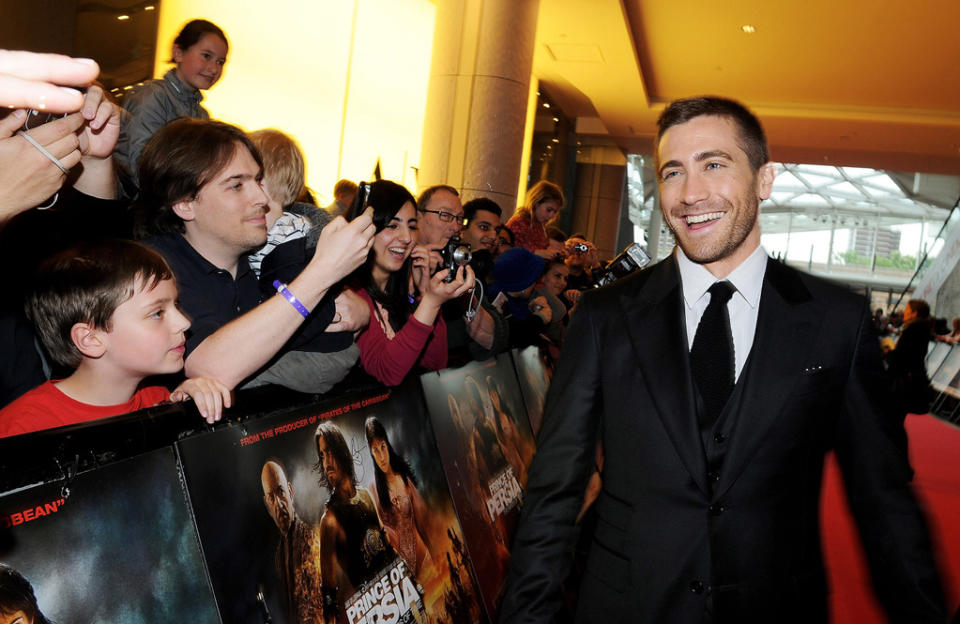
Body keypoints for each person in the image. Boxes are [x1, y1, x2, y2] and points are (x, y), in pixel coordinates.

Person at [500, 96, 946, 623]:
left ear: (764, 179)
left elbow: (883, 502)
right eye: (672, 172)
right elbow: (555, 490)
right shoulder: (605, 316)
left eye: (714, 164)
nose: (690, 194)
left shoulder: (835, 321)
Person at [137, 119, 375, 393]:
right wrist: (323, 272)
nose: (262, 198)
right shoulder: (152, 270)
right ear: (184, 204)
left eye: (259, 180)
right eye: (237, 186)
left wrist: (355, 306)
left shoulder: (262, 258)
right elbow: (211, 367)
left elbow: (333, 331)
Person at [0, 241, 230, 438]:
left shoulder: (161, 401)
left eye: (176, 304)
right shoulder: (21, 429)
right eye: (157, 313)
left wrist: (189, 410)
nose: (184, 322)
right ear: (90, 339)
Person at [350, 180, 474, 385]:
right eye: (392, 225)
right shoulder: (350, 293)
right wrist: (431, 303)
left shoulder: (402, 294)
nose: (407, 237)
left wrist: (425, 296)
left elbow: (433, 366)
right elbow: (385, 372)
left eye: (411, 226)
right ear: (365, 228)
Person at [115, 19, 229, 183]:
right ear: (178, 52)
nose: (214, 69)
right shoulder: (152, 97)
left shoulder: (202, 114)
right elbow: (141, 171)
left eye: (220, 62)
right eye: (206, 56)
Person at [314, 421, 396, 619]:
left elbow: (389, 551)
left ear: (342, 451)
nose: (326, 463)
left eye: (329, 452)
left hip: (394, 602)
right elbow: (329, 599)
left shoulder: (366, 496)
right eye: (322, 456)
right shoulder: (330, 520)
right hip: (370, 613)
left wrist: (410, 583)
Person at [365, 416, 436, 579]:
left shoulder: (403, 478)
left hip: (424, 558)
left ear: (387, 445)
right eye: (375, 450)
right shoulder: (374, 490)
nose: (381, 456)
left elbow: (424, 521)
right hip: (401, 571)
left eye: (382, 447)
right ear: (371, 453)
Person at [260, 459, 323, 624]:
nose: (279, 503)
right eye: (271, 497)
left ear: (290, 492)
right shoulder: (279, 556)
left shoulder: (311, 539)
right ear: (267, 505)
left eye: (280, 491)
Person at [887, 298, 934, 415]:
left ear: (914, 313)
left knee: (894, 414)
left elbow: (903, 357)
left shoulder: (912, 330)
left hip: (903, 380)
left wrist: (888, 352)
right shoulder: (922, 329)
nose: (904, 312)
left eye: (907, 309)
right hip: (912, 378)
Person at [506, 181, 566, 260]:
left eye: (555, 212)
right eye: (549, 210)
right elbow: (508, 251)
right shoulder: (519, 223)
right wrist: (537, 253)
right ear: (536, 203)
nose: (551, 216)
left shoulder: (540, 227)